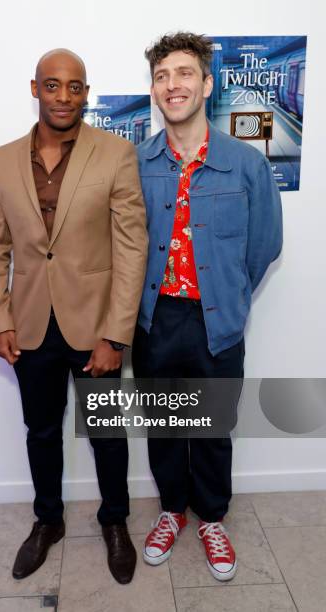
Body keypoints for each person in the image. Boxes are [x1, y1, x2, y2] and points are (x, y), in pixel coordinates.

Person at [0, 48, 148, 584]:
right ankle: (47, 521)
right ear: (35, 89)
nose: (64, 97)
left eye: (75, 87)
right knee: (41, 431)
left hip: (94, 326)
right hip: (29, 327)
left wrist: (114, 335)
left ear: (87, 94)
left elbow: (132, 248)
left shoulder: (116, 154)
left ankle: (115, 523)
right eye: (53, 86)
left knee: (106, 434)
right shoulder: (3, 160)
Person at [132, 32, 282, 581]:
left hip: (218, 322)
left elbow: (264, 245)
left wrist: (226, 295)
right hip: (156, 321)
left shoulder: (245, 164)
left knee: (214, 427)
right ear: (153, 90)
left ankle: (212, 518)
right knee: (166, 427)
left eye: (185, 73)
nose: (174, 84)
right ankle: (173, 510)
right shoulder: (136, 162)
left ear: (207, 84)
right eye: (163, 75)